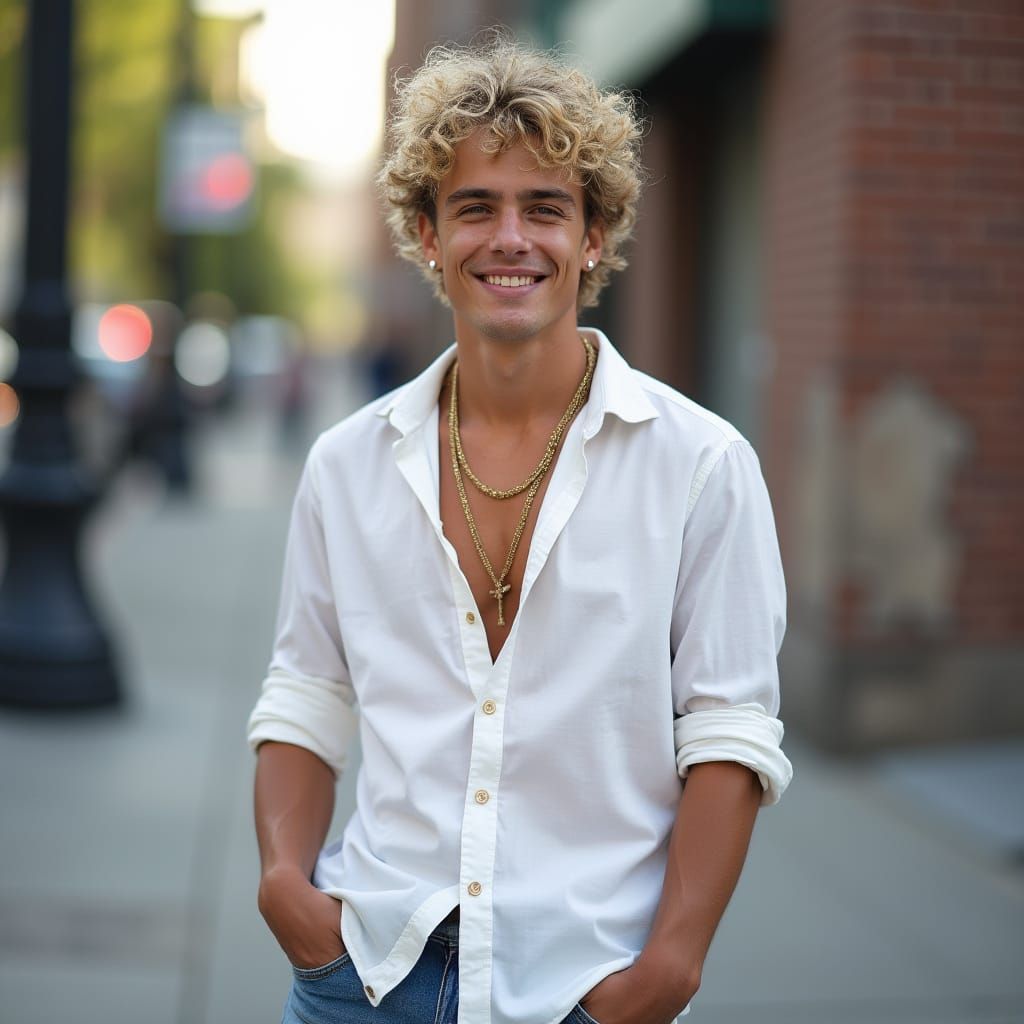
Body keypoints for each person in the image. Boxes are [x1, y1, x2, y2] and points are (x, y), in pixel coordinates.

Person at [248, 36, 793, 1024]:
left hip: (582, 987)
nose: (511, 237)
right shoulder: (346, 463)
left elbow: (727, 734)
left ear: (592, 236)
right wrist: (287, 880)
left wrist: (668, 968)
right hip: (363, 972)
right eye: (474, 207)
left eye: (544, 208)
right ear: (426, 234)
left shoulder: (702, 465)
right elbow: (305, 695)